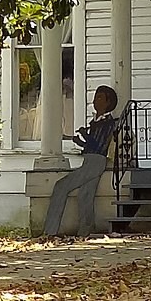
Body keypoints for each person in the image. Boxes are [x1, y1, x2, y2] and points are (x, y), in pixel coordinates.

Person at [42, 85, 121, 236]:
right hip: (89, 159)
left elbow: (100, 146)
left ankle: (50, 231)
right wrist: (80, 141)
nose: (95, 101)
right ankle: (86, 231)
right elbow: (90, 145)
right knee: (85, 195)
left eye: (100, 98)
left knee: (61, 186)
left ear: (108, 102)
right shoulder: (95, 122)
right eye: (95, 97)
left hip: (97, 161)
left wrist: (85, 135)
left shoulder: (109, 123)